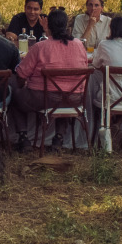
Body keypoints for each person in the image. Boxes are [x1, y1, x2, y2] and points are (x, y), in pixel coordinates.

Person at [12, 9, 90, 146]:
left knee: (14, 95)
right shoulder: (79, 45)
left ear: (47, 25)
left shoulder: (40, 47)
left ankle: (23, 137)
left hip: (43, 98)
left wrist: (21, 86)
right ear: (67, 26)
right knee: (65, 94)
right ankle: (59, 137)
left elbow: (21, 74)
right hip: (75, 98)